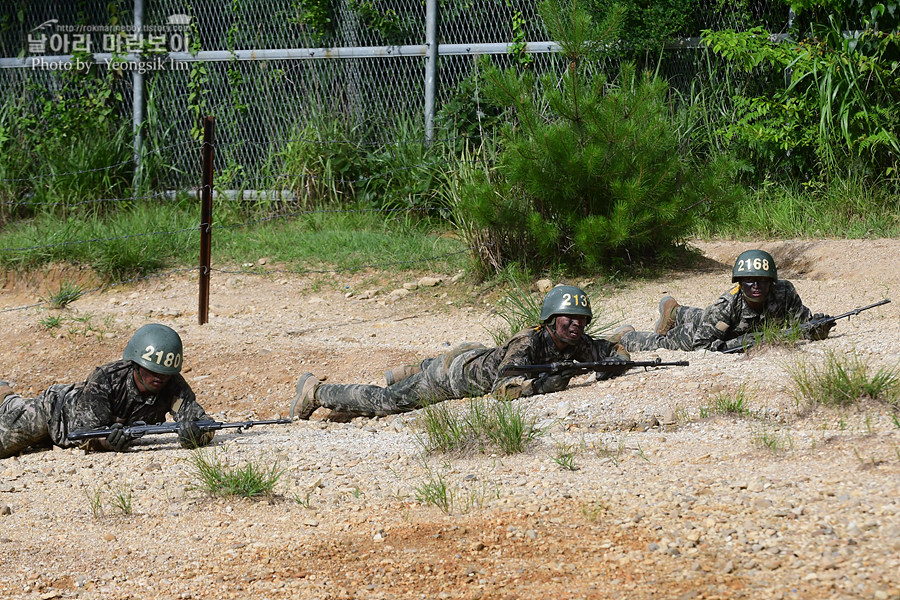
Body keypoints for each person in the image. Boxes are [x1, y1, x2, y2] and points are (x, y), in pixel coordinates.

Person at [289, 285, 632, 420]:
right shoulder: (528, 343)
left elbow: (610, 348)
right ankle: (316, 391)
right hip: (452, 379)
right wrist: (544, 384)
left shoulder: (576, 341)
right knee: (385, 403)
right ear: (551, 319)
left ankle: (415, 368)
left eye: (581, 320)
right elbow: (505, 388)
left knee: (419, 376)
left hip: (474, 357)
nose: (575, 325)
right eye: (568, 319)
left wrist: (614, 362)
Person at [1, 323, 214, 459]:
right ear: (136, 364)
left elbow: (202, 422)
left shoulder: (173, 384)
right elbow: (87, 434)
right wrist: (106, 443)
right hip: (53, 414)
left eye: (166, 373)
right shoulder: (106, 379)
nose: (160, 377)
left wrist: (197, 435)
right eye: (153, 370)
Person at [619, 249, 835, 353]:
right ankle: (627, 335)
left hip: (720, 325)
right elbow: (702, 344)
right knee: (662, 343)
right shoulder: (727, 304)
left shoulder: (784, 291)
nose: (756, 286)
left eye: (762, 281)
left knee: (706, 316)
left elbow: (803, 324)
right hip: (697, 335)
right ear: (740, 283)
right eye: (749, 281)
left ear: (772, 282)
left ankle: (674, 312)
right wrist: (748, 341)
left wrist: (818, 328)